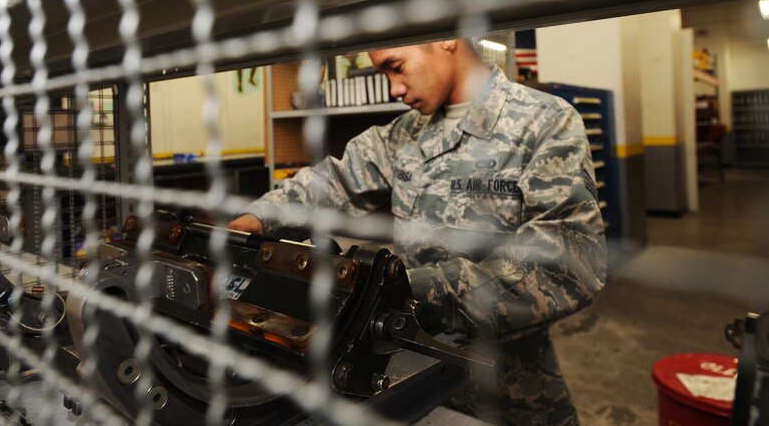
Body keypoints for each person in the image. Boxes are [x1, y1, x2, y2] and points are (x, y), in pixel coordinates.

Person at [229, 39, 606, 425]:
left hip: (511, 386)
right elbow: (334, 181)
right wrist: (257, 218)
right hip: (413, 374)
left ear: (445, 39)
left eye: (396, 66)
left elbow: (566, 264)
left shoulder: (543, 121)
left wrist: (399, 290)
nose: (394, 89)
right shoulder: (403, 135)